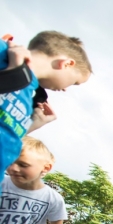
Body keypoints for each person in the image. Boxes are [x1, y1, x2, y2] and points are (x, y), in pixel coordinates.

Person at [1, 32, 92, 177]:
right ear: (67, 64)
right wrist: (13, 77)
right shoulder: (4, 53)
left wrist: (32, 125)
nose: (65, 89)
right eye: (74, 82)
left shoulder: (29, 94)